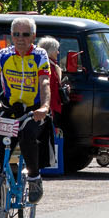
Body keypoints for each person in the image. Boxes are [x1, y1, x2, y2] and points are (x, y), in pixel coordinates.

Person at [0, 16, 51, 198]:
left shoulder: (40, 55)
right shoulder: (3, 55)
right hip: (10, 108)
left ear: (33, 36)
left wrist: (44, 107)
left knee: (27, 137)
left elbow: (44, 83)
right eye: (16, 34)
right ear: (11, 36)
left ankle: (34, 178)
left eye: (25, 34)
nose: (20, 38)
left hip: (33, 110)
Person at [37, 35, 66, 171]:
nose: (58, 53)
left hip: (53, 106)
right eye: (56, 50)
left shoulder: (52, 65)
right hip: (50, 107)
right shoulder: (47, 66)